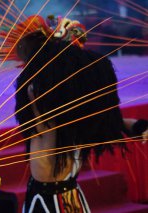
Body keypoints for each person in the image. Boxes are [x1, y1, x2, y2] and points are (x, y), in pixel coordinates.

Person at [12, 15, 148, 212]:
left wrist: (138, 126)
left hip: (71, 195)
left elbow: (109, 121)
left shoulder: (75, 118)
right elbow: (43, 87)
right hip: (47, 200)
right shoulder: (42, 108)